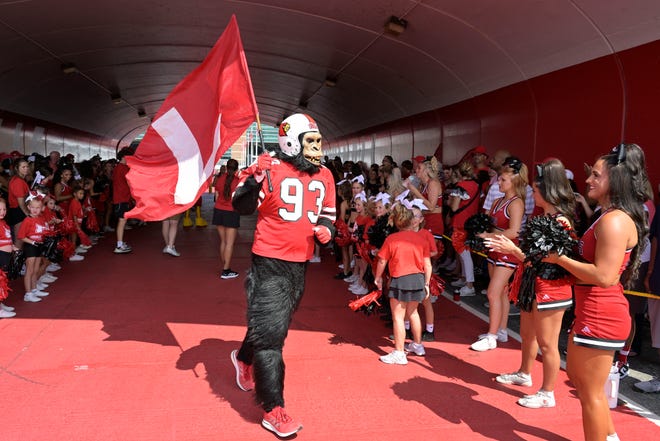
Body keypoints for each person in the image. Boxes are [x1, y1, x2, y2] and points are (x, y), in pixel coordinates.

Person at [229, 113, 336, 438]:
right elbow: (241, 206)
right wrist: (254, 177)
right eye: (310, 142)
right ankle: (273, 408)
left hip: (299, 263)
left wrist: (326, 231)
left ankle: (243, 358)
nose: (316, 148)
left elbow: (328, 214)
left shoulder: (326, 174)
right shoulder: (272, 169)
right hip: (269, 261)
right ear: (291, 142)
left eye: (317, 141)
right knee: (273, 338)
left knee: (272, 325)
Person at [544, 144, 649, 441]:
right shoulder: (608, 215)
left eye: (597, 175)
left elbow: (604, 276)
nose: (588, 179)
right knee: (585, 386)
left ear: (616, 180)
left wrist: (560, 259)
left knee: (590, 395)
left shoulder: (615, 221)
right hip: (592, 310)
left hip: (601, 314)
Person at [486, 159, 576, 408]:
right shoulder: (544, 216)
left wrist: (513, 250)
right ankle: (524, 374)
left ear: (548, 192)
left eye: (535, 190)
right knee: (527, 335)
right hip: (531, 285)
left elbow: (549, 262)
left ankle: (548, 392)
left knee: (547, 343)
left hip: (550, 288)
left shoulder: (561, 222)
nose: (531, 193)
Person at [471, 157, 527, 351]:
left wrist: (489, 234)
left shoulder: (516, 203)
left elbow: (515, 232)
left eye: (503, 180)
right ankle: (501, 331)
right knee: (501, 293)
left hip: (507, 252)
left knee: (493, 293)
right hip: (494, 250)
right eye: (499, 179)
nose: (498, 182)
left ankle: (491, 336)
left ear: (514, 182)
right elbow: (489, 224)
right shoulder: (496, 201)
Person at [374, 203, 432, 365]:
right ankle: (418, 345)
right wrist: (426, 283)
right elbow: (428, 264)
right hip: (418, 279)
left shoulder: (392, 239)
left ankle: (399, 352)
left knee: (398, 317)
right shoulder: (421, 239)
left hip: (401, 279)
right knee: (413, 313)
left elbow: (382, 260)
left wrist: (378, 278)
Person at [18, 195, 50, 303]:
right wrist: (32, 242)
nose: (35, 210)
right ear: (28, 207)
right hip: (30, 246)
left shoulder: (41, 219)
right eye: (33, 207)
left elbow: (44, 231)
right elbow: (21, 236)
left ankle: (34, 289)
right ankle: (28, 293)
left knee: (36, 270)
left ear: (41, 208)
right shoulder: (27, 220)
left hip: (38, 245)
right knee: (30, 270)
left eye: (38, 207)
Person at [212, 158, 240, 278]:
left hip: (219, 211)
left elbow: (216, 194)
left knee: (223, 241)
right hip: (231, 212)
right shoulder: (238, 181)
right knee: (229, 243)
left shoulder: (220, 179)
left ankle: (225, 265)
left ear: (227, 167)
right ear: (236, 169)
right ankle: (226, 270)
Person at [112, 148, 133, 254]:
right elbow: (130, 182)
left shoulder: (117, 168)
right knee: (122, 221)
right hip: (122, 198)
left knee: (122, 221)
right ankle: (119, 245)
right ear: (125, 157)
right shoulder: (123, 168)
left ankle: (120, 243)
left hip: (121, 198)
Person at [7, 158, 31, 240]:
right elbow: (21, 203)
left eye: (27, 166)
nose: (26, 169)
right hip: (18, 212)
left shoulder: (21, 180)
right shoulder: (18, 181)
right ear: (17, 168)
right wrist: (28, 214)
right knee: (19, 240)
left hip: (18, 211)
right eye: (23, 167)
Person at [0, 198, 17, 317]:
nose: (2, 212)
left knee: (3, 281)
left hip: (6, 256)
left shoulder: (4, 223)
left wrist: (13, 246)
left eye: (4, 209)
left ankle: (1, 304)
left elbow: (7, 238)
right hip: (0, 256)